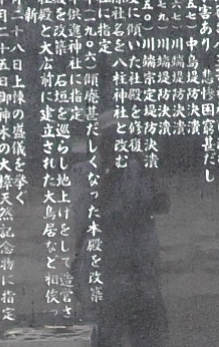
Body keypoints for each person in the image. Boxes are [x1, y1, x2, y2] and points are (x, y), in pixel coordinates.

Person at [73, 119, 170, 347]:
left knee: (149, 335)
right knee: (105, 334)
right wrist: (111, 172)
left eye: (123, 139)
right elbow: (90, 213)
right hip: (105, 269)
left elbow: (162, 203)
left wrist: (149, 169)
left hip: (141, 268)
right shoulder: (83, 171)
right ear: (99, 142)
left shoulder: (138, 170)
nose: (119, 145)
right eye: (112, 139)